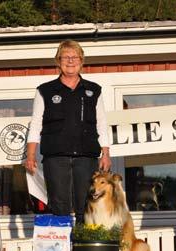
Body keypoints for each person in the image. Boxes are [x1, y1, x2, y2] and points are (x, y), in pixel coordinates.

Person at [25, 39, 111, 224]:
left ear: (81, 61)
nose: (70, 61)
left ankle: (82, 250)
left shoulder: (94, 90)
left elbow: (102, 123)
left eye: (75, 57)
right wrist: (30, 154)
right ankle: (61, 250)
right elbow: (36, 123)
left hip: (86, 157)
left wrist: (105, 153)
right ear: (58, 61)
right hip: (56, 158)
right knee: (59, 205)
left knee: (86, 205)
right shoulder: (45, 91)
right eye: (66, 57)